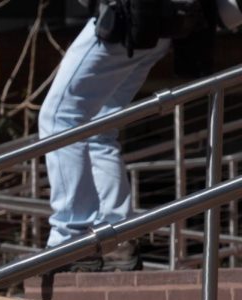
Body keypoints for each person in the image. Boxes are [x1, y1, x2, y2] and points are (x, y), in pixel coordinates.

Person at [39, 0, 242, 271]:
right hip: (156, 26)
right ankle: (116, 237)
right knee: (100, 127)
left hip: (127, 17)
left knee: (59, 117)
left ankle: (71, 239)